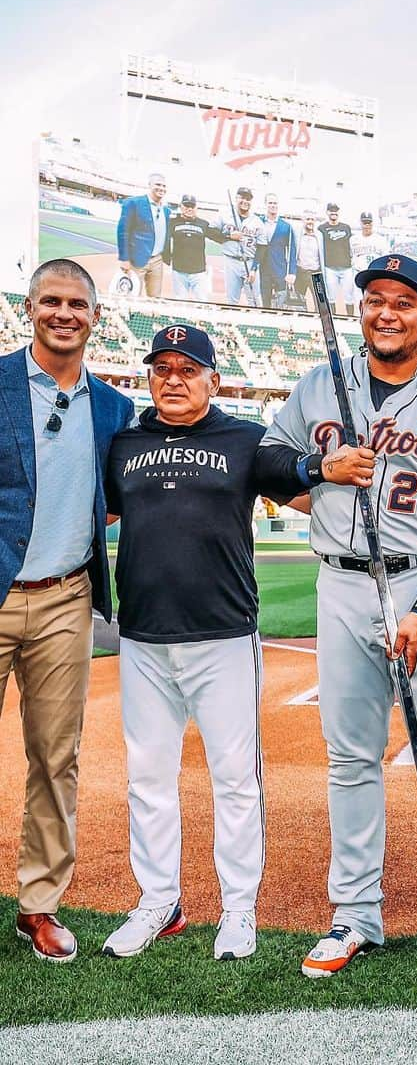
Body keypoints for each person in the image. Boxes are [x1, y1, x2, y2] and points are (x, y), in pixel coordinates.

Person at [259, 253, 417, 984]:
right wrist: (318, 469)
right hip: (340, 583)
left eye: (403, 300)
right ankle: (355, 913)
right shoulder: (316, 387)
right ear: (361, 311)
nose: (386, 312)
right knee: (351, 757)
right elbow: (266, 464)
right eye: (374, 300)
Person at [100, 323, 371, 962]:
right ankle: (157, 902)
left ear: (212, 379)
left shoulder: (245, 440)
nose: (172, 378)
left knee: (235, 781)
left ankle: (239, 910)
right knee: (147, 778)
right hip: (141, 637)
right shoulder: (124, 444)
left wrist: (341, 466)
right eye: (161, 367)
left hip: (222, 636)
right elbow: (102, 512)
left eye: (186, 368)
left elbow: (308, 489)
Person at [0, 259, 133, 961]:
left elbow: (113, 498)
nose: (63, 313)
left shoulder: (112, 408)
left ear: (94, 317)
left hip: (64, 600)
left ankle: (40, 905)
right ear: (29, 309)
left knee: (56, 759)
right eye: (51, 300)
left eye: (76, 303)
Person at [116, 173, 170, 298]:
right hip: (137, 260)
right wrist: (124, 259)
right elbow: (123, 231)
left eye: (164, 186)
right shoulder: (133, 203)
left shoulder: (166, 210)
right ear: (149, 185)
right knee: (132, 296)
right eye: (158, 184)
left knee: (155, 298)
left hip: (157, 260)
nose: (161, 188)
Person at [214, 186, 261, 306]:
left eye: (248, 199)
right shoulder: (224, 215)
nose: (245, 201)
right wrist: (229, 235)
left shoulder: (256, 221)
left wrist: (254, 268)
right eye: (242, 198)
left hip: (249, 262)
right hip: (231, 261)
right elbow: (210, 232)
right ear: (236, 198)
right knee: (232, 300)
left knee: (255, 300)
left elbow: (262, 247)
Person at [162, 195, 214, 302]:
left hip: (198, 272)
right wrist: (166, 258)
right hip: (179, 271)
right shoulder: (173, 222)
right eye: (186, 206)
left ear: (196, 208)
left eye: (192, 206)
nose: (189, 209)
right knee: (180, 302)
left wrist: (230, 236)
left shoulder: (203, 224)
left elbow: (217, 236)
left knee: (202, 302)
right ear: (181, 206)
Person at [257, 194, 297, 308]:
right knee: (265, 302)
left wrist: (292, 272)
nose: (273, 205)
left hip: (280, 270)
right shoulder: (258, 222)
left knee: (281, 303)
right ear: (265, 204)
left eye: (275, 203)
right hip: (263, 269)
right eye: (270, 203)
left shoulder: (286, 227)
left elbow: (292, 250)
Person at [318, 203, 355, 316]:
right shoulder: (322, 228)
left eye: (335, 210)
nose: (333, 212)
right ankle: (333, 318)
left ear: (339, 212)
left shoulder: (346, 227)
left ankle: (350, 318)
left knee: (349, 295)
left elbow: (351, 245)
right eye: (331, 210)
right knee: (331, 296)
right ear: (327, 212)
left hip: (346, 267)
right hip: (330, 267)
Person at [293, 211, 322, 310]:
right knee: (299, 302)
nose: (310, 222)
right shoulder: (297, 234)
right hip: (301, 271)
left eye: (312, 219)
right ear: (303, 220)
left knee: (319, 302)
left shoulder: (319, 236)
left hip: (315, 273)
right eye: (307, 219)